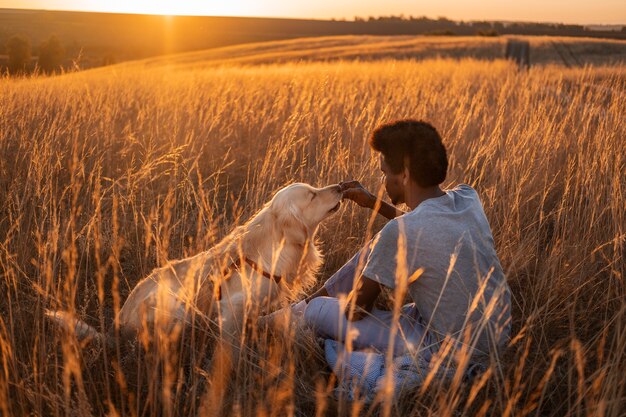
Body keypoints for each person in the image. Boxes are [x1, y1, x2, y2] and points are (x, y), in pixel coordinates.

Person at [283, 120, 511, 362]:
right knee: (380, 242)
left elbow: (355, 311)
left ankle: (299, 312)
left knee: (317, 310)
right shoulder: (468, 197)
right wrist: (373, 203)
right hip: (497, 336)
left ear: (404, 175)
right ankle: (295, 310)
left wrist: (361, 284)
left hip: (445, 349)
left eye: (384, 173)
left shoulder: (400, 232)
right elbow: (425, 224)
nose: (383, 181)